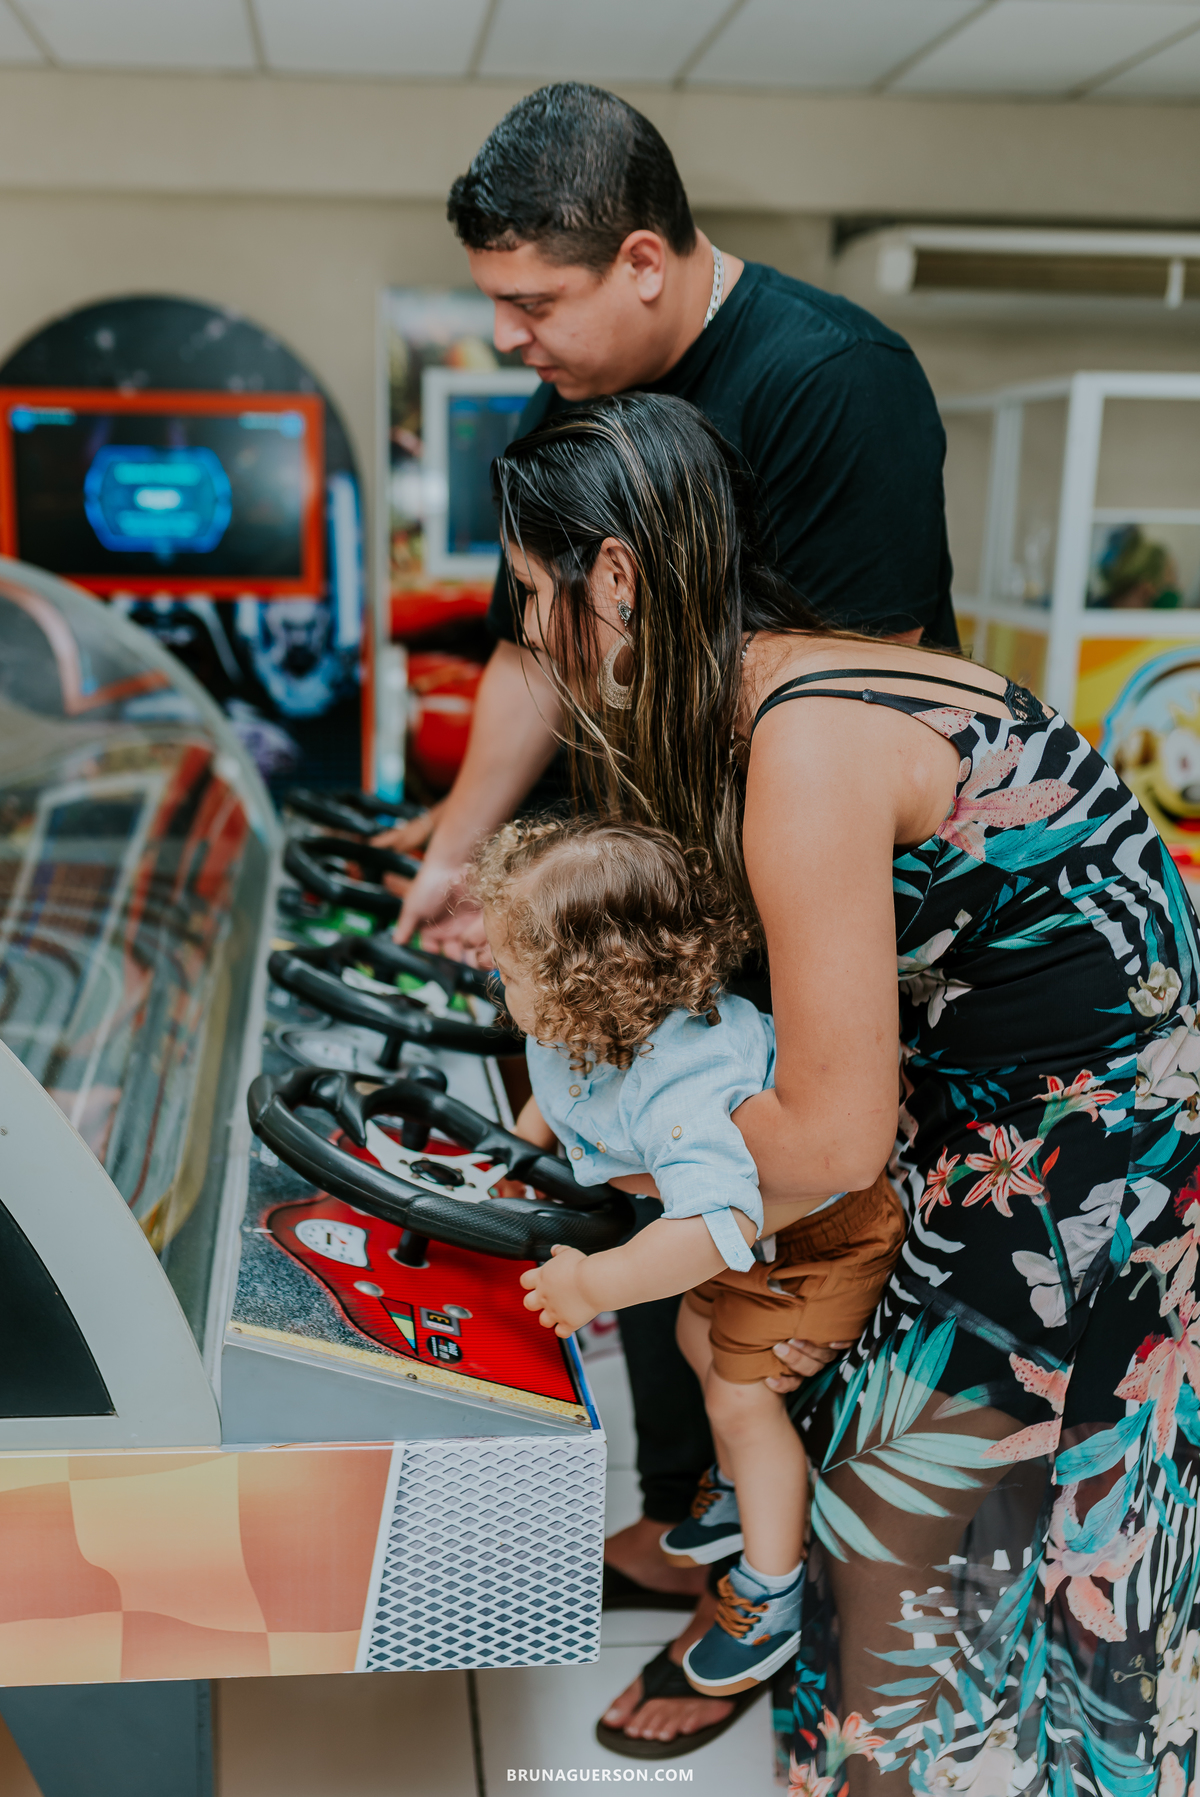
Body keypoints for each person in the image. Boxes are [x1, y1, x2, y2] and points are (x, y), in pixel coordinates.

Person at [485, 389, 1200, 1789]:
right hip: (1043, 1114)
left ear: (613, 577)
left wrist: (630, 1143)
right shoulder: (802, 669)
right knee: (995, 1503)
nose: (526, 631)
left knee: (898, 1514)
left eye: (531, 591)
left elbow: (823, 1134)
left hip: (1082, 1156)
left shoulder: (804, 752)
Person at [377, 81, 959, 1751]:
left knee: (762, 1261)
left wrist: (636, 941)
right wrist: (474, 859)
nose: (510, 337)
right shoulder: (579, 416)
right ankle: (706, 1501)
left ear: (642, 259)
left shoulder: (825, 387)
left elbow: (860, 720)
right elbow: (521, 654)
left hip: (776, 920)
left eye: (532, 304)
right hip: (640, 905)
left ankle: (779, 1571)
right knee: (643, 1196)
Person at [472, 815, 905, 1702]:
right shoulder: (574, 1021)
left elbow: (714, 1225)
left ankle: (769, 1587)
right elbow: (558, 1085)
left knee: (738, 1396)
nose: (494, 980)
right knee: (692, 1339)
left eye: (507, 971)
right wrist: (519, 1147)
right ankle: (734, 1483)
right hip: (750, 1222)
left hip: (815, 1235)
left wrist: (591, 1283)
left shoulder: (686, 1082)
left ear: (576, 984)